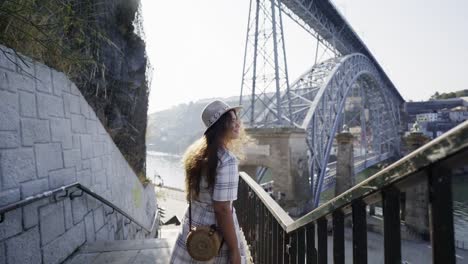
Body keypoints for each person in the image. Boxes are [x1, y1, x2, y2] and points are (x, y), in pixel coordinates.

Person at [170, 100, 249, 264]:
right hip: (215, 235)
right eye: (232, 121)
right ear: (220, 126)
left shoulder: (196, 154)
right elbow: (222, 209)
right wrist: (234, 251)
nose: (237, 124)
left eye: (237, 120)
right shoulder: (226, 160)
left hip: (194, 229)